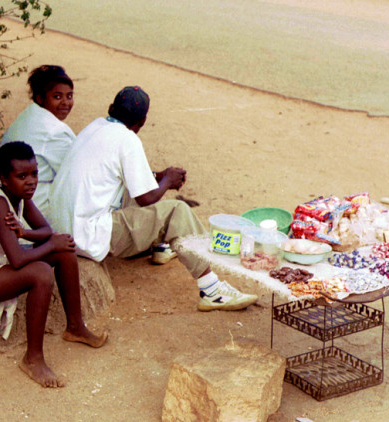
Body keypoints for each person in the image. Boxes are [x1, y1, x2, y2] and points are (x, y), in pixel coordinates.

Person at [49, 86, 258, 312]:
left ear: (111, 108)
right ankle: (212, 290)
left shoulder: (95, 127)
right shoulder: (127, 139)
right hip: (86, 236)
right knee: (177, 211)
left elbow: (132, 179)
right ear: (142, 121)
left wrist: (160, 176)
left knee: (132, 190)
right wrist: (167, 181)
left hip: (62, 230)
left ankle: (161, 245)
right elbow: (146, 198)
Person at [0, 142, 107, 388]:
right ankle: (33, 359)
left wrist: (24, 233)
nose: (31, 181)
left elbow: (46, 230)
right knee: (41, 272)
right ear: (4, 178)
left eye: (34, 173)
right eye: (22, 176)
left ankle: (76, 327)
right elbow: (18, 260)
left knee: (64, 250)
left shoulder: (20, 196)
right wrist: (50, 243)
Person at [0, 65, 76, 219]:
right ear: (40, 98)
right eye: (57, 97)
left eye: (69, 96)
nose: (65, 103)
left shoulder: (28, 116)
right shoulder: (54, 131)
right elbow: (76, 175)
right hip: (27, 214)